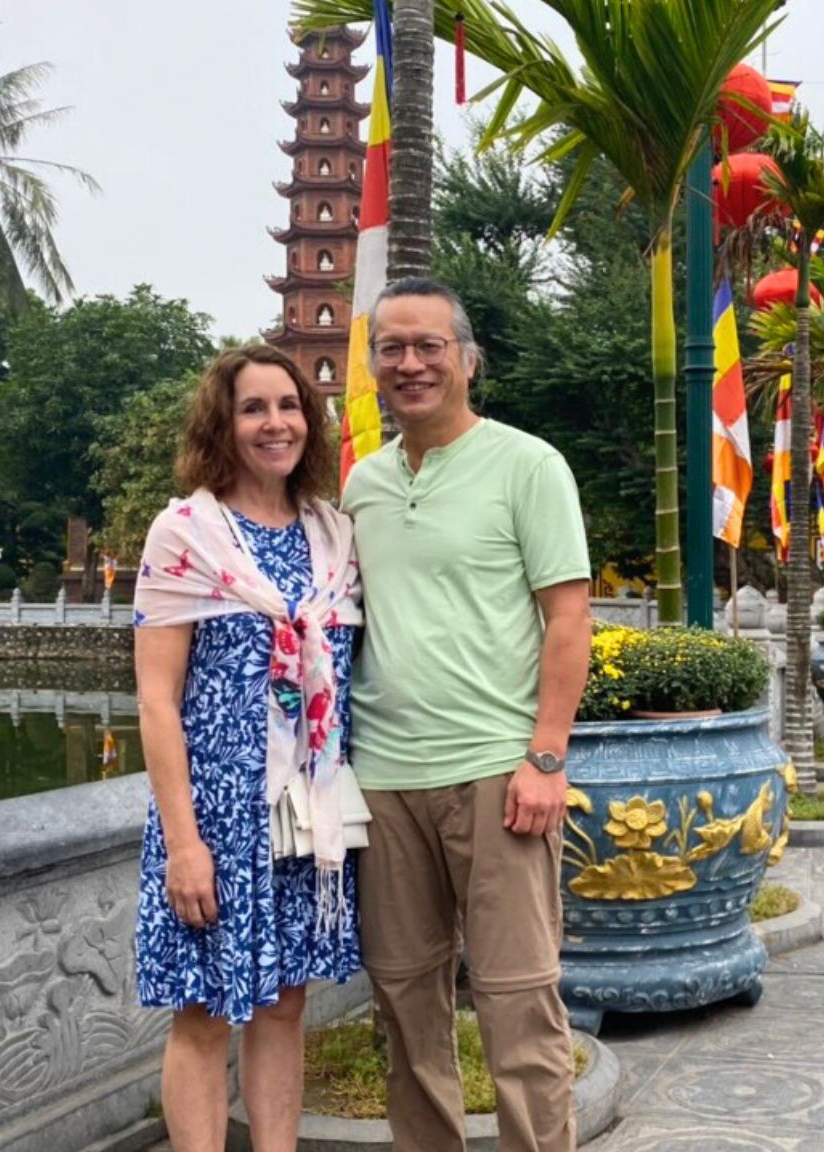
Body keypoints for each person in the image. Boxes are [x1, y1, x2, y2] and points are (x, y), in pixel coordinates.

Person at [342, 278, 592, 1152]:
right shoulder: (362, 486)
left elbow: (568, 616)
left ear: (466, 360)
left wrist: (546, 757)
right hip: (382, 780)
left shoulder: (528, 465)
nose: (409, 364)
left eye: (429, 346)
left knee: (519, 1001)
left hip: (497, 772)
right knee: (404, 1002)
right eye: (392, 348)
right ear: (373, 366)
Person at [131, 344, 364, 1152]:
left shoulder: (333, 536)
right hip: (216, 815)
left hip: (305, 814)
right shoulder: (186, 532)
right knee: (202, 1008)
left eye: (289, 406)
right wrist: (184, 845)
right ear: (222, 425)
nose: (276, 423)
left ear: (312, 420)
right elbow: (158, 703)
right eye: (254, 408)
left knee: (284, 1004)